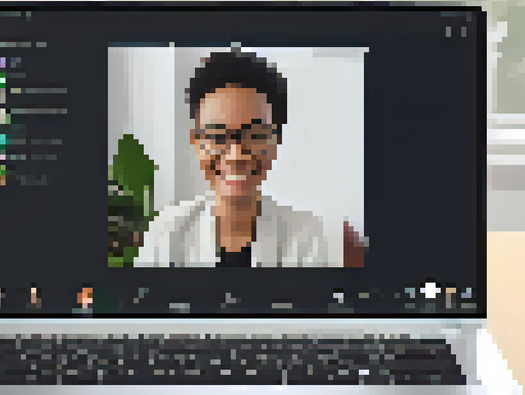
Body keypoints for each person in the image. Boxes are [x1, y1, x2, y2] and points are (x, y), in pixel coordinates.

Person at [134, 48, 364, 268]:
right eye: (217, 135)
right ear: (196, 141)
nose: (236, 155)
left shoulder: (312, 241)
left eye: (254, 135)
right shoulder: (165, 236)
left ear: (276, 141)